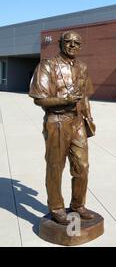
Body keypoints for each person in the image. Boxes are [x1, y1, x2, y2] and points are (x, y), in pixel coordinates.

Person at [29, 31, 95, 224]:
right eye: (69, 42)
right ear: (60, 43)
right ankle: (56, 207)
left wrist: (89, 117)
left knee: (82, 166)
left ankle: (78, 205)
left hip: (77, 122)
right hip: (56, 121)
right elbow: (39, 99)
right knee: (56, 167)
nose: (73, 45)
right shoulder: (47, 66)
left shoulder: (82, 67)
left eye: (77, 43)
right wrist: (63, 100)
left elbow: (85, 96)